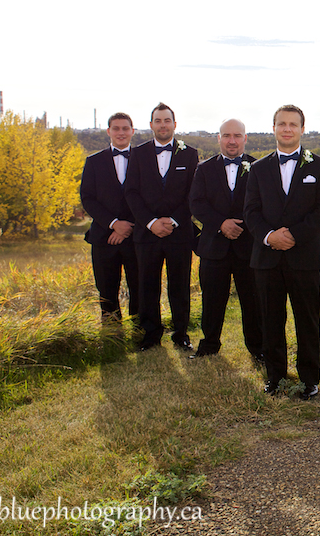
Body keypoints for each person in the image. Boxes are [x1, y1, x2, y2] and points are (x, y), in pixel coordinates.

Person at [244, 105, 320, 399]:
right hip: (267, 259)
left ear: (302, 129)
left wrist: (294, 234)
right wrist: (270, 236)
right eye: (282, 124)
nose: (288, 129)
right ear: (274, 128)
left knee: (307, 320)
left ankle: (309, 380)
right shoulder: (257, 169)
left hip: (305, 257)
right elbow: (251, 211)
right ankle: (275, 377)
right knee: (270, 320)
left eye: (293, 124)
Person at [125, 102, 199, 352]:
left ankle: (180, 333)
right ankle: (150, 335)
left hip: (179, 233)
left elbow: (193, 193)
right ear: (150, 125)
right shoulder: (138, 153)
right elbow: (132, 192)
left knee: (179, 285)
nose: (163, 125)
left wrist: (174, 221)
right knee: (147, 285)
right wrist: (151, 222)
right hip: (147, 234)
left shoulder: (190, 153)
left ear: (174, 125)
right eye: (158, 121)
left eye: (167, 121)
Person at [188, 118, 262, 361]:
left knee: (252, 302)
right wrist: (221, 224)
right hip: (213, 247)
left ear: (245, 138)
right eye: (227, 136)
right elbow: (196, 203)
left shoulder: (258, 167)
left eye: (237, 136)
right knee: (211, 300)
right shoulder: (204, 168)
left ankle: (257, 347)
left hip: (248, 246)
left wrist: (239, 225)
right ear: (218, 138)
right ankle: (209, 345)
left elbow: (261, 204)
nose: (232, 141)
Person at [80, 112, 139, 325]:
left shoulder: (145, 160)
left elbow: (149, 197)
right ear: (109, 131)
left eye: (125, 128)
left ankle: (140, 331)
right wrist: (114, 224)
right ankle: (112, 333)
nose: (121, 133)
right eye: (116, 128)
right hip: (104, 237)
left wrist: (128, 227)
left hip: (136, 236)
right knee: (106, 289)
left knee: (139, 286)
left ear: (132, 131)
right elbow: (88, 199)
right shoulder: (93, 161)